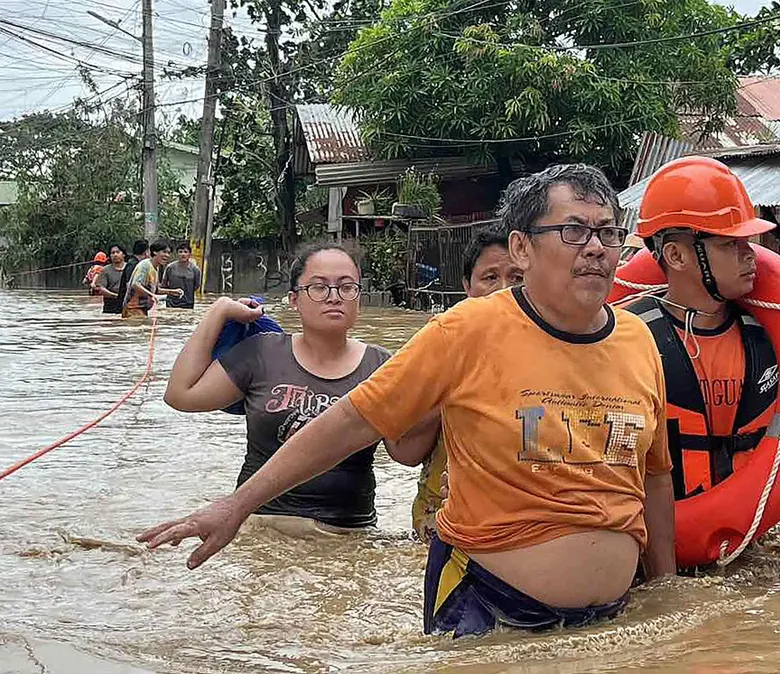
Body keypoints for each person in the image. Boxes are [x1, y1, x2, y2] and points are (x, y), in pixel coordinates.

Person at [138, 164, 676, 639]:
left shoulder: (638, 342)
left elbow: (654, 477)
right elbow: (351, 421)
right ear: (521, 248)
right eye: (574, 230)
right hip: (488, 612)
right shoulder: (467, 329)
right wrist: (237, 505)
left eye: (607, 231)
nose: (596, 247)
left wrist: (670, 588)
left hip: (612, 618)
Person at [626, 156, 780, 572]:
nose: (751, 255)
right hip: (658, 561)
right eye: (729, 245)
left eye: (747, 241)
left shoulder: (772, 337)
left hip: (751, 550)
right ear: (677, 256)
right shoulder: (628, 341)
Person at [156, 243, 395, 533]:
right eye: (319, 287)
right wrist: (217, 311)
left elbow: (406, 454)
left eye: (347, 287)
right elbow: (180, 395)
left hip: (347, 532)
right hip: (256, 525)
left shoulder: (383, 365)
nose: (334, 297)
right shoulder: (262, 352)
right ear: (294, 299)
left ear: (359, 297)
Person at [405, 223, 525, 542]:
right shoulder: (444, 343)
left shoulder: (558, 351)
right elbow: (403, 451)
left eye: (517, 278)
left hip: (522, 525)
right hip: (438, 523)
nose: (503, 290)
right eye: (490, 278)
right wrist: (450, 392)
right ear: (467, 288)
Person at [123, 240, 181, 317]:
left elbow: (155, 290)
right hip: (132, 309)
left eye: (169, 253)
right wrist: (152, 296)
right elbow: (135, 284)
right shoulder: (145, 265)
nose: (167, 255)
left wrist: (172, 292)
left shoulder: (156, 268)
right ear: (155, 252)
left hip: (143, 309)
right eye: (164, 252)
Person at [161, 243, 203, 309]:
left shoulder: (195, 269)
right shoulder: (170, 267)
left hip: (188, 302)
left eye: (185, 252)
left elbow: (197, 286)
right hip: (171, 302)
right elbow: (164, 284)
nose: (183, 254)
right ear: (177, 254)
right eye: (180, 252)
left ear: (190, 254)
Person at [93, 245, 129, 314]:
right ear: (109, 256)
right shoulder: (105, 270)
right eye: (113, 253)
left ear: (124, 254)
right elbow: (101, 288)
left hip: (128, 303)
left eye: (117, 252)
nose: (115, 255)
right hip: (110, 305)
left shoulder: (130, 268)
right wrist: (115, 296)